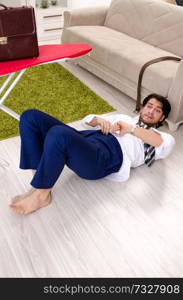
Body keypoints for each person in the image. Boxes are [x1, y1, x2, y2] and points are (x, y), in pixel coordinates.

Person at [10, 93, 175, 215]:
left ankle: (42, 194)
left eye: (157, 110)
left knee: (58, 134)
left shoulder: (161, 137)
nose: (151, 111)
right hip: (87, 140)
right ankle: (39, 177)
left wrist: (131, 129)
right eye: (149, 106)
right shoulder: (123, 117)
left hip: (105, 157)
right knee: (30, 116)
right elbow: (86, 121)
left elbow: (161, 143)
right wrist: (98, 120)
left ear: (162, 117)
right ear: (143, 107)